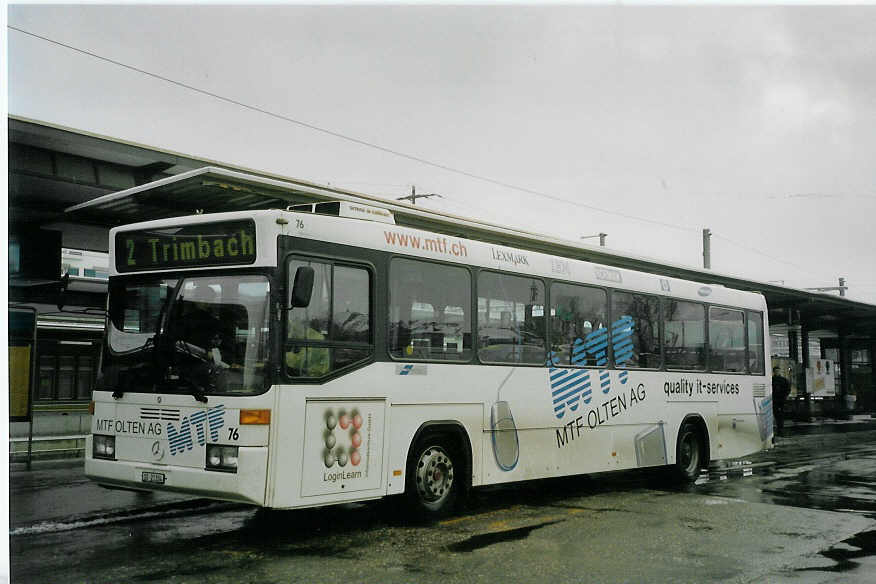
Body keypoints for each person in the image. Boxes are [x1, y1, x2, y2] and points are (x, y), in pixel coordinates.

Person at [772, 367, 791, 431]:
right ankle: (779, 427)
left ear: (779, 371)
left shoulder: (784, 380)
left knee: (781, 414)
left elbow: (788, 389)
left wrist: (785, 396)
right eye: (776, 371)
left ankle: (780, 427)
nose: (777, 372)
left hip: (781, 399)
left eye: (778, 371)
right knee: (776, 413)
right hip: (774, 399)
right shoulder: (771, 379)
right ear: (773, 372)